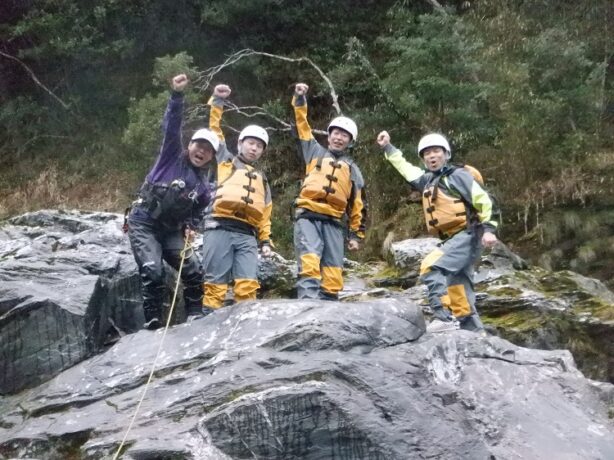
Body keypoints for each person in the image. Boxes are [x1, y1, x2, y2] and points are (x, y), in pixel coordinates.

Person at [376, 130, 498, 332]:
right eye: (427, 153)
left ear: (446, 154)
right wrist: (388, 148)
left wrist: (489, 229)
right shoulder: (427, 181)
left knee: (431, 266)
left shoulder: (457, 176)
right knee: (457, 285)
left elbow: (485, 201)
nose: (431, 156)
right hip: (454, 239)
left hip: (468, 234)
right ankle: (474, 332)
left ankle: (443, 317)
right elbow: (406, 169)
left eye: (436, 151)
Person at [128, 74, 218, 330]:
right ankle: (154, 321)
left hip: (171, 231)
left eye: (208, 150)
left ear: (211, 156)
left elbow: (200, 210)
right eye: (198, 145)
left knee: (193, 270)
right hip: (144, 222)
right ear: (189, 145)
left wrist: (191, 225)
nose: (201, 151)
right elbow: (172, 125)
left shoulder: (203, 186)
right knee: (152, 270)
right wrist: (177, 96)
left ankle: (195, 315)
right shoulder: (170, 157)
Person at [291, 83, 367, 300]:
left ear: (350, 142)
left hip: (334, 222)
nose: (339, 138)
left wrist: (355, 235)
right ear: (329, 135)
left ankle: (328, 310)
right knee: (310, 261)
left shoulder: (353, 170)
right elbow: (301, 125)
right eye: (336, 133)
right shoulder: (313, 151)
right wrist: (299, 99)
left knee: (333, 271)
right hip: (308, 217)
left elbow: (358, 205)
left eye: (345, 135)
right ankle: (307, 304)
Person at [201, 84, 273, 311]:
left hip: (247, 235)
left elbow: (265, 214)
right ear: (240, 143)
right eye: (251, 143)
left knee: (248, 287)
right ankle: (205, 332)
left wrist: (266, 241)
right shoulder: (226, 161)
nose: (254, 148)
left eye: (259, 146)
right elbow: (214, 131)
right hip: (219, 227)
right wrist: (218, 101)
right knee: (215, 287)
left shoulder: (262, 179)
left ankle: (244, 337)